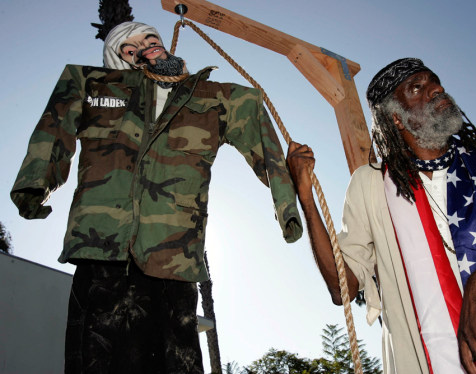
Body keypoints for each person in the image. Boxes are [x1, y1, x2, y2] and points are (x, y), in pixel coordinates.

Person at [11, 21, 302, 373]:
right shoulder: (90, 84)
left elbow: (260, 130)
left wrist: (286, 206)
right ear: (118, 62)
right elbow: (53, 128)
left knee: (174, 364)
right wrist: (34, 185)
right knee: (95, 362)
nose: (146, 45)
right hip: (103, 252)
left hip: (174, 260)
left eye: (151, 38)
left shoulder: (215, 98)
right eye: (130, 47)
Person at [287, 58, 476, 374]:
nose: (437, 89)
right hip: (440, 357)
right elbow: (342, 288)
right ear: (396, 119)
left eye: (434, 81)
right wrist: (306, 199)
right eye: (417, 87)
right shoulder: (372, 185)